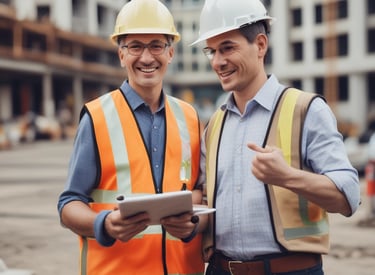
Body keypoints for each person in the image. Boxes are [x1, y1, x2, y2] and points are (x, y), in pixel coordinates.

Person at [191, 0, 361, 274]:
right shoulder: (215, 124)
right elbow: (206, 205)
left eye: (227, 48)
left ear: (260, 45)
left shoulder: (306, 110)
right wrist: (186, 220)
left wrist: (288, 177)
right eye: (211, 51)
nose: (217, 62)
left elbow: (349, 197)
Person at [57, 0, 206, 274]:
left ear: (171, 52)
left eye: (156, 45)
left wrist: (192, 221)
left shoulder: (190, 117)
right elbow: (69, 205)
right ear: (121, 55)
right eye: (135, 46)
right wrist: (103, 224)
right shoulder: (97, 116)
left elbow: (202, 192)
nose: (147, 58)